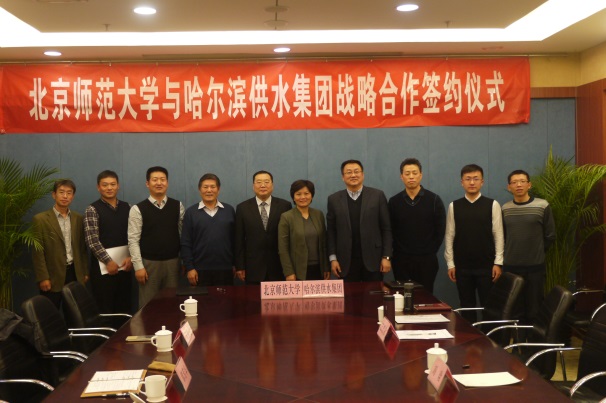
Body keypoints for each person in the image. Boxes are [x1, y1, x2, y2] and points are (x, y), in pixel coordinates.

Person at [444, 164, 504, 323]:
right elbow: (449, 236)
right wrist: (450, 263)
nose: (472, 182)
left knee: (488, 307)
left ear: (482, 182)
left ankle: (489, 337)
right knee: (466, 306)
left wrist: (498, 262)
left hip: (487, 267)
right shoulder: (454, 206)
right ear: (461, 182)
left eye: (476, 179)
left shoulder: (492, 205)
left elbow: (498, 235)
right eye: (468, 179)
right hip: (462, 267)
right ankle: (470, 337)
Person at [502, 169, 556, 327]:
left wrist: (536, 252)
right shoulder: (505, 208)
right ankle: (518, 342)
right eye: (514, 182)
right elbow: (502, 237)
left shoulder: (542, 205)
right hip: (511, 268)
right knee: (515, 310)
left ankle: (533, 341)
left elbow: (550, 235)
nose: (518, 185)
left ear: (529, 185)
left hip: (535, 267)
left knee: (534, 309)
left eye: (522, 181)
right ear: (509, 187)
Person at [326, 159, 392, 282]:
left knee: (374, 293)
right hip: (345, 261)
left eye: (356, 171)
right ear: (343, 177)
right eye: (349, 172)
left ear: (363, 175)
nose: (353, 175)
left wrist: (386, 256)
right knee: (349, 294)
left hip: (374, 259)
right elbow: (331, 232)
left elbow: (386, 228)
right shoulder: (334, 199)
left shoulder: (377, 196)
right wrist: (333, 259)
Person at [128, 166, 184, 308]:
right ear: (147, 183)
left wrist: (184, 261)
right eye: (155, 180)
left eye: (162, 179)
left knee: (172, 305)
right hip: (148, 265)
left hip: (173, 263)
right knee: (148, 307)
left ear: (167, 183)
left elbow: (183, 236)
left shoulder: (178, 206)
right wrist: (138, 267)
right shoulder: (137, 209)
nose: (159, 183)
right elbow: (133, 240)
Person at [388, 158, 446, 292]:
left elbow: (440, 229)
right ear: (401, 176)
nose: (411, 177)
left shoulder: (434, 200)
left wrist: (429, 250)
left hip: (427, 260)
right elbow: (389, 230)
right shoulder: (394, 202)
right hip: (401, 260)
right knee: (403, 296)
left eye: (414, 173)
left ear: (421, 175)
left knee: (425, 296)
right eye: (407, 173)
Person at [32, 179, 89, 308]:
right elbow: (38, 252)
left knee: (74, 314)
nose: (65, 196)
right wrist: (43, 277)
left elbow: (82, 248)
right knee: (50, 312)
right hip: (52, 275)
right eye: (61, 192)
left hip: (74, 273)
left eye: (69, 193)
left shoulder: (78, 218)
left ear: (73, 196)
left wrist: (84, 272)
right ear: (54, 195)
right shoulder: (40, 219)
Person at [84, 170, 133, 314]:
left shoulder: (129, 207)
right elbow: (92, 240)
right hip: (103, 270)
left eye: (113, 184)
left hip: (126, 267)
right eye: (105, 185)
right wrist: (108, 261)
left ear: (118, 186)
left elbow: (134, 236)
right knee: (105, 310)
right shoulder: (92, 209)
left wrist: (132, 257)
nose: (109, 188)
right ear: (98, 187)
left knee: (125, 309)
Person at [235, 171, 291, 284]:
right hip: (252, 267)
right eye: (259, 182)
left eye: (266, 182)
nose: (263, 185)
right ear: (253, 186)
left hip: (279, 266)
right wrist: (240, 266)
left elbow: (289, 239)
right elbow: (239, 239)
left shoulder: (285, 206)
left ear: (272, 185)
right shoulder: (242, 208)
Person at [181, 173, 236, 286]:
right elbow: (186, 243)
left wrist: (236, 264)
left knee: (226, 297)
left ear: (218, 189)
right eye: (205, 187)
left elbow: (235, 240)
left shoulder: (229, 210)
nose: (209, 190)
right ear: (199, 189)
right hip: (198, 270)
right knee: (202, 298)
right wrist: (189, 268)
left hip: (225, 269)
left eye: (213, 187)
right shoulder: (191, 212)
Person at [278, 180, 330, 281]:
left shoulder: (318, 214)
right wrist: (289, 272)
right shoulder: (286, 217)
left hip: (319, 269)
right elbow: (283, 248)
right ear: (293, 197)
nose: (303, 197)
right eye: (298, 194)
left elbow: (324, 244)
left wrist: (326, 267)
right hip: (297, 271)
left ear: (312, 195)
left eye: (306, 193)